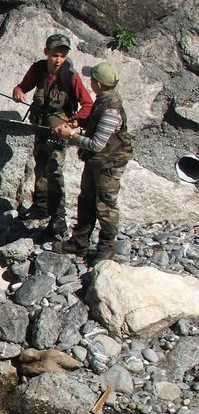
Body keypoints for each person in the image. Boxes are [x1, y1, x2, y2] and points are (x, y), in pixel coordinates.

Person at [12, 33, 93, 239]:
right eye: (55, 55)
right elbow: (22, 87)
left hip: (60, 131)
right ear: (46, 52)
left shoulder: (70, 76)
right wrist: (18, 91)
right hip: (40, 126)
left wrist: (74, 121)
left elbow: (88, 105)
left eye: (63, 55)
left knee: (55, 170)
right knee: (40, 164)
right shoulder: (38, 69)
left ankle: (58, 216)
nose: (58, 60)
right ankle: (40, 206)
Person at [52, 61, 133, 263]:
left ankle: (106, 247)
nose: (90, 82)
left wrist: (71, 135)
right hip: (97, 162)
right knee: (86, 200)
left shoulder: (111, 110)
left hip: (109, 165)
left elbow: (96, 144)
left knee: (105, 204)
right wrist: (79, 122)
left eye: (92, 79)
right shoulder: (102, 100)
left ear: (97, 83)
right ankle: (80, 242)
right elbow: (95, 125)